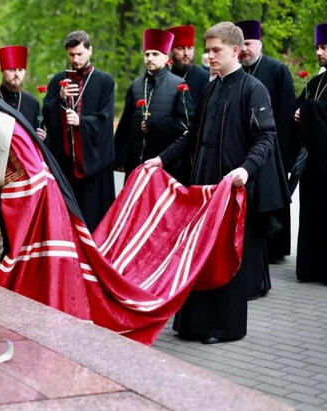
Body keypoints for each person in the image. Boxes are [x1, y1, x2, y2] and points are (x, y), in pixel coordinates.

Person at [0, 67, 246, 345]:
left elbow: (34, 186)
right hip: (2, 222)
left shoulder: (1, 131)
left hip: (40, 223)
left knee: (41, 311)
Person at [145, 22, 288, 344]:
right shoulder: (211, 88)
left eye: (215, 50)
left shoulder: (253, 89)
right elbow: (191, 134)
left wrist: (247, 170)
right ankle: (192, 324)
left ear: (235, 51)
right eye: (207, 50)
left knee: (226, 257)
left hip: (232, 187)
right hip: (203, 186)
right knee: (199, 254)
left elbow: (266, 137)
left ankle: (224, 328)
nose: (208, 56)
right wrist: (162, 159)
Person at [235, 20, 295, 273]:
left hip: (272, 148)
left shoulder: (277, 70)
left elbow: (286, 113)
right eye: (241, 45)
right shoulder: (239, 72)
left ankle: (276, 249)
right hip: (243, 152)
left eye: (248, 44)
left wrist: (282, 153)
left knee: (270, 200)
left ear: (259, 44)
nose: (245, 50)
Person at [42, 31, 115, 231]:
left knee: (94, 220)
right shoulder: (58, 80)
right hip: (65, 162)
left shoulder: (104, 81)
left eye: (80, 54)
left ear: (90, 50)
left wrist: (81, 122)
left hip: (93, 161)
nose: (76, 59)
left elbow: (105, 119)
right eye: (72, 55)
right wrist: (59, 98)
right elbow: (46, 114)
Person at [115, 29, 193, 185]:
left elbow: (185, 124)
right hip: (136, 162)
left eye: (155, 54)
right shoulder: (136, 85)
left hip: (166, 163)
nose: (150, 58)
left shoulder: (179, 85)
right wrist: (120, 157)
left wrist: (155, 125)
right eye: (147, 54)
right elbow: (125, 125)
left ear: (166, 57)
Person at [294, 23, 327, 284]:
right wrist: (299, 114)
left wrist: (309, 112)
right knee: (311, 213)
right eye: (317, 47)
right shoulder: (316, 81)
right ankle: (310, 267)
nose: (319, 52)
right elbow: (299, 108)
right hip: (313, 164)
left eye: (324, 47)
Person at [0, 46, 46, 140]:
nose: (17, 74)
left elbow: (40, 140)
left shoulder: (33, 103)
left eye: (20, 70)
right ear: (3, 71)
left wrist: (41, 139)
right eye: (12, 70)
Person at [167, 25, 210, 108]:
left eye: (190, 48)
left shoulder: (203, 77)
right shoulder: (164, 75)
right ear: (171, 51)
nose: (186, 53)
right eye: (181, 48)